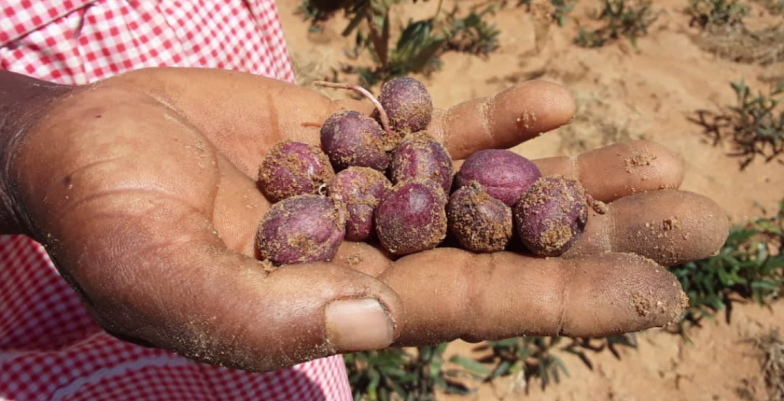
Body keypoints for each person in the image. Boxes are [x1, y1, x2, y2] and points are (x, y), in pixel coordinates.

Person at [0, 1, 729, 400]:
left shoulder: (405, 169)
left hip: (210, 76)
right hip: (54, 273)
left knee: (311, 325)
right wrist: (29, 137)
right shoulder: (363, 183)